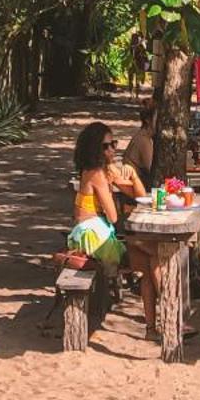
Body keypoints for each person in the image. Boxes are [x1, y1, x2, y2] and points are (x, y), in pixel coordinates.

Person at [69, 120, 158, 333]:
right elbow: (112, 215)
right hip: (93, 236)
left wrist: (132, 174)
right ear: (94, 149)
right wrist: (111, 184)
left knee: (149, 260)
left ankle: (153, 326)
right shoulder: (97, 174)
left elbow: (140, 195)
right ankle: (158, 319)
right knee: (152, 256)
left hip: (95, 233)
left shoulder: (101, 170)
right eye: (105, 146)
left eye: (113, 144)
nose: (112, 150)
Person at [122, 98, 157, 185]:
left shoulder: (143, 136)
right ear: (148, 120)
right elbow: (152, 170)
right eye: (157, 119)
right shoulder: (143, 140)